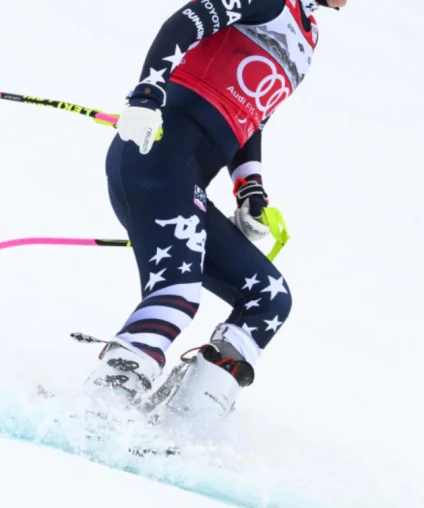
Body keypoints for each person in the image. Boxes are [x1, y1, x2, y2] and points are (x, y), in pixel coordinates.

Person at [83, 0, 347, 418]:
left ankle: (183, 423)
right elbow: (184, 22)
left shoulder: (307, 38)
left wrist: (250, 188)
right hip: (157, 153)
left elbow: (252, 117)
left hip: (186, 180)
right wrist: (147, 95)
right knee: (178, 293)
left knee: (268, 299)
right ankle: (99, 405)